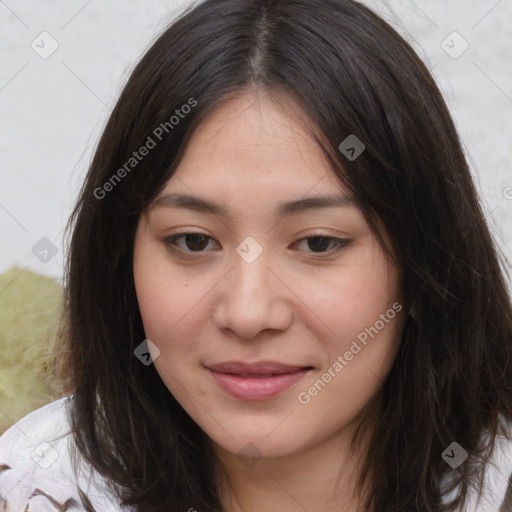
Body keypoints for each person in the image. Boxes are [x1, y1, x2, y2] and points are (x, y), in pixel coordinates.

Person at [1, 0, 512, 510]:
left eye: (318, 243)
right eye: (193, 241)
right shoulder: (34, 489)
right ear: (120, 263)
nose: (248, 314)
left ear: (424, 265)